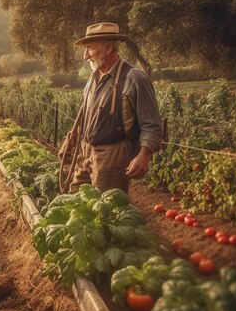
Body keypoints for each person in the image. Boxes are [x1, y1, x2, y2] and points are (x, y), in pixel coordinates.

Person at [60, 22, 163, 193]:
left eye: (90, 49)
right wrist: (70, 140)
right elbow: (86, 115)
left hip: (112, 155)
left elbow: (152, 125)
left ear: (108, 48)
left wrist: (144, 156)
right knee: (74, 201)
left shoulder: (135, 78)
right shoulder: (93, 77)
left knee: (104, 209)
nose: (85, 56)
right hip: (85, 152)